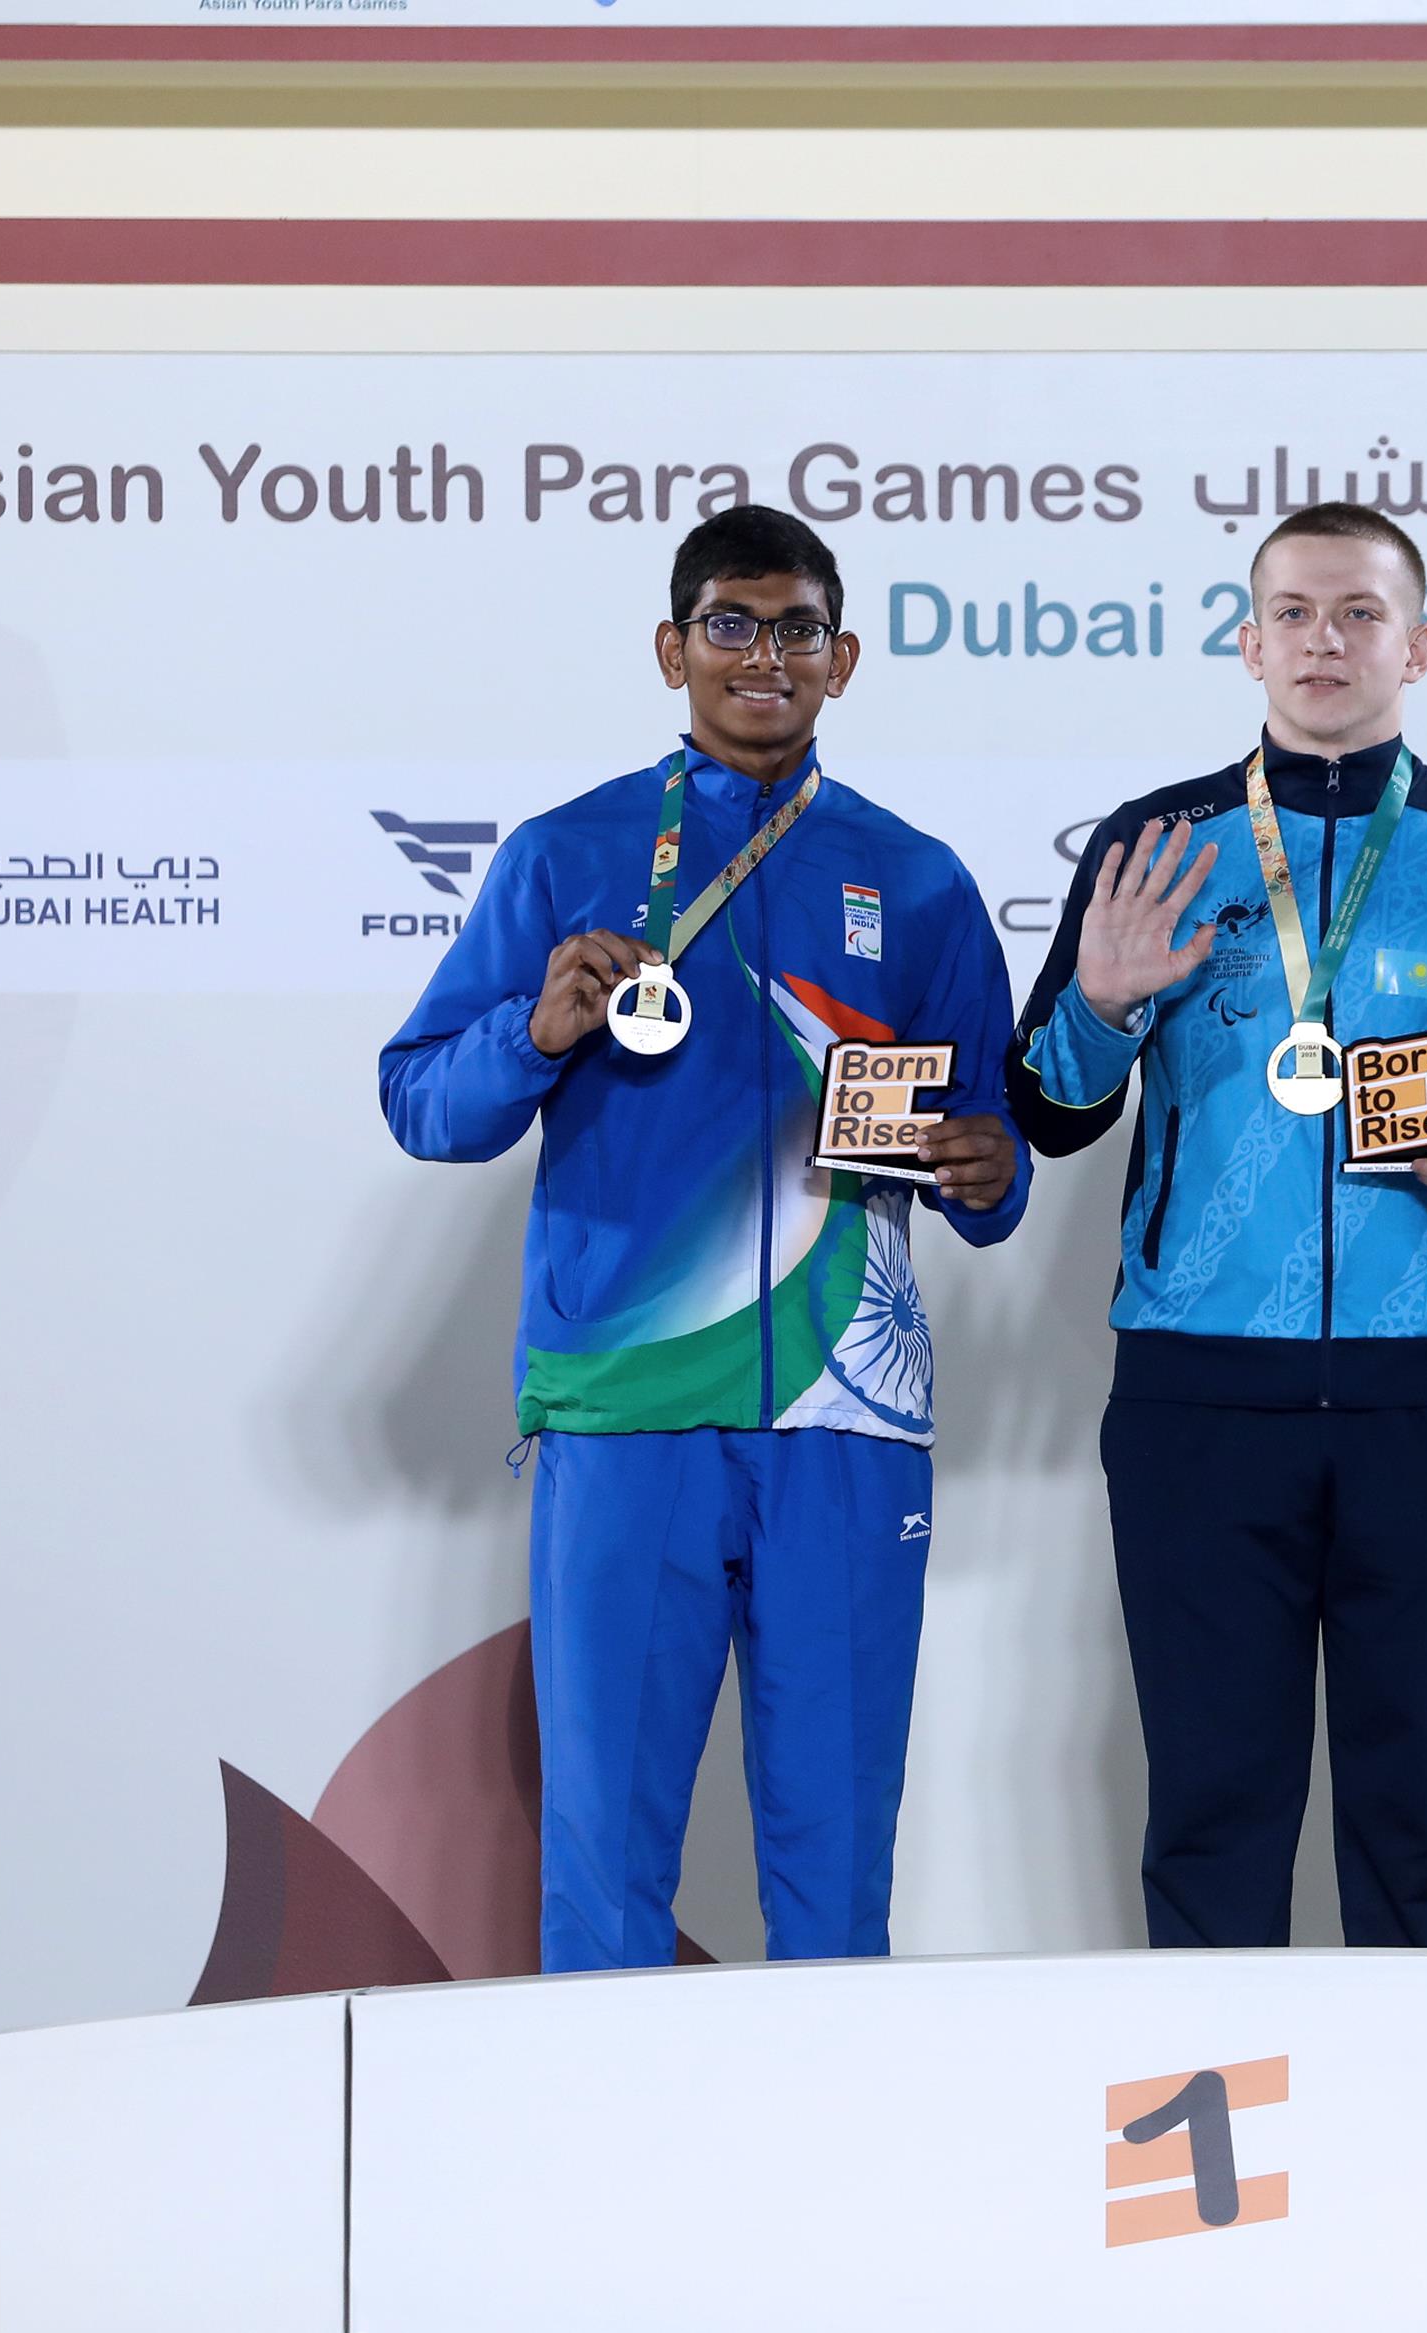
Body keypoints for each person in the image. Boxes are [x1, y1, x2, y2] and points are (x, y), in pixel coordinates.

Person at [1008, 502, 1427, 1949]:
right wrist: (1102, 1006)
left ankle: (1417, 2099)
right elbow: (1047, 1112)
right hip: (1197, 1397)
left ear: (1417, 647)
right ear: (1248, 642)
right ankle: (1212, 2104)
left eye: (1361, 613)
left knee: (1415, 1825)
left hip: (1424, 1398)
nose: (1326, 641)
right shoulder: (1156, 846)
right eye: (1295, 613)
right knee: (1209, 1815)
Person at [380, 504, 1028, 1970]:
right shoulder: (567, 854)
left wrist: (991, 1175)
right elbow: (422, 1102)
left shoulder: (918, 880)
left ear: (843, 660)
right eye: (731, 624)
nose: (765, 655)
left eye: (799, 629)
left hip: (845, 1417)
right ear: (673, 649)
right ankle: (598, 2124)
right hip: (630, 1411)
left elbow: (984, 1163)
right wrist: (535, 1031)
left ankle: (831, 2126)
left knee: (836, 1870)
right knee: (604, 1860)